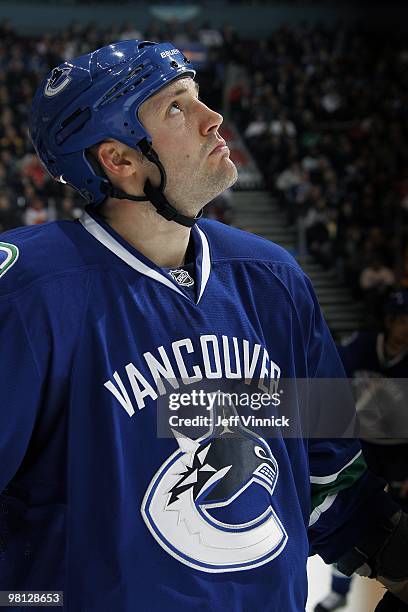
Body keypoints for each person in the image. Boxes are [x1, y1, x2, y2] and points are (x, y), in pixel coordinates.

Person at [0, 40, 407, 612]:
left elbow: (328, 476)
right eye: (175, 107)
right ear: (119, 159)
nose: (212, 118)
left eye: (197, 98)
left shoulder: (274, 278)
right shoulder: (28, 294)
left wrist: (396, 556)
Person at [315, 289, 408, 612]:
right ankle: (339, 590)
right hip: (361, 447)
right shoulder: (361, 346)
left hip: (399, 457)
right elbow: (328, 375)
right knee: (349, 523)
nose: (404, 327)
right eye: (399, 320)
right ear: (388, 320)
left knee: (392, 531)